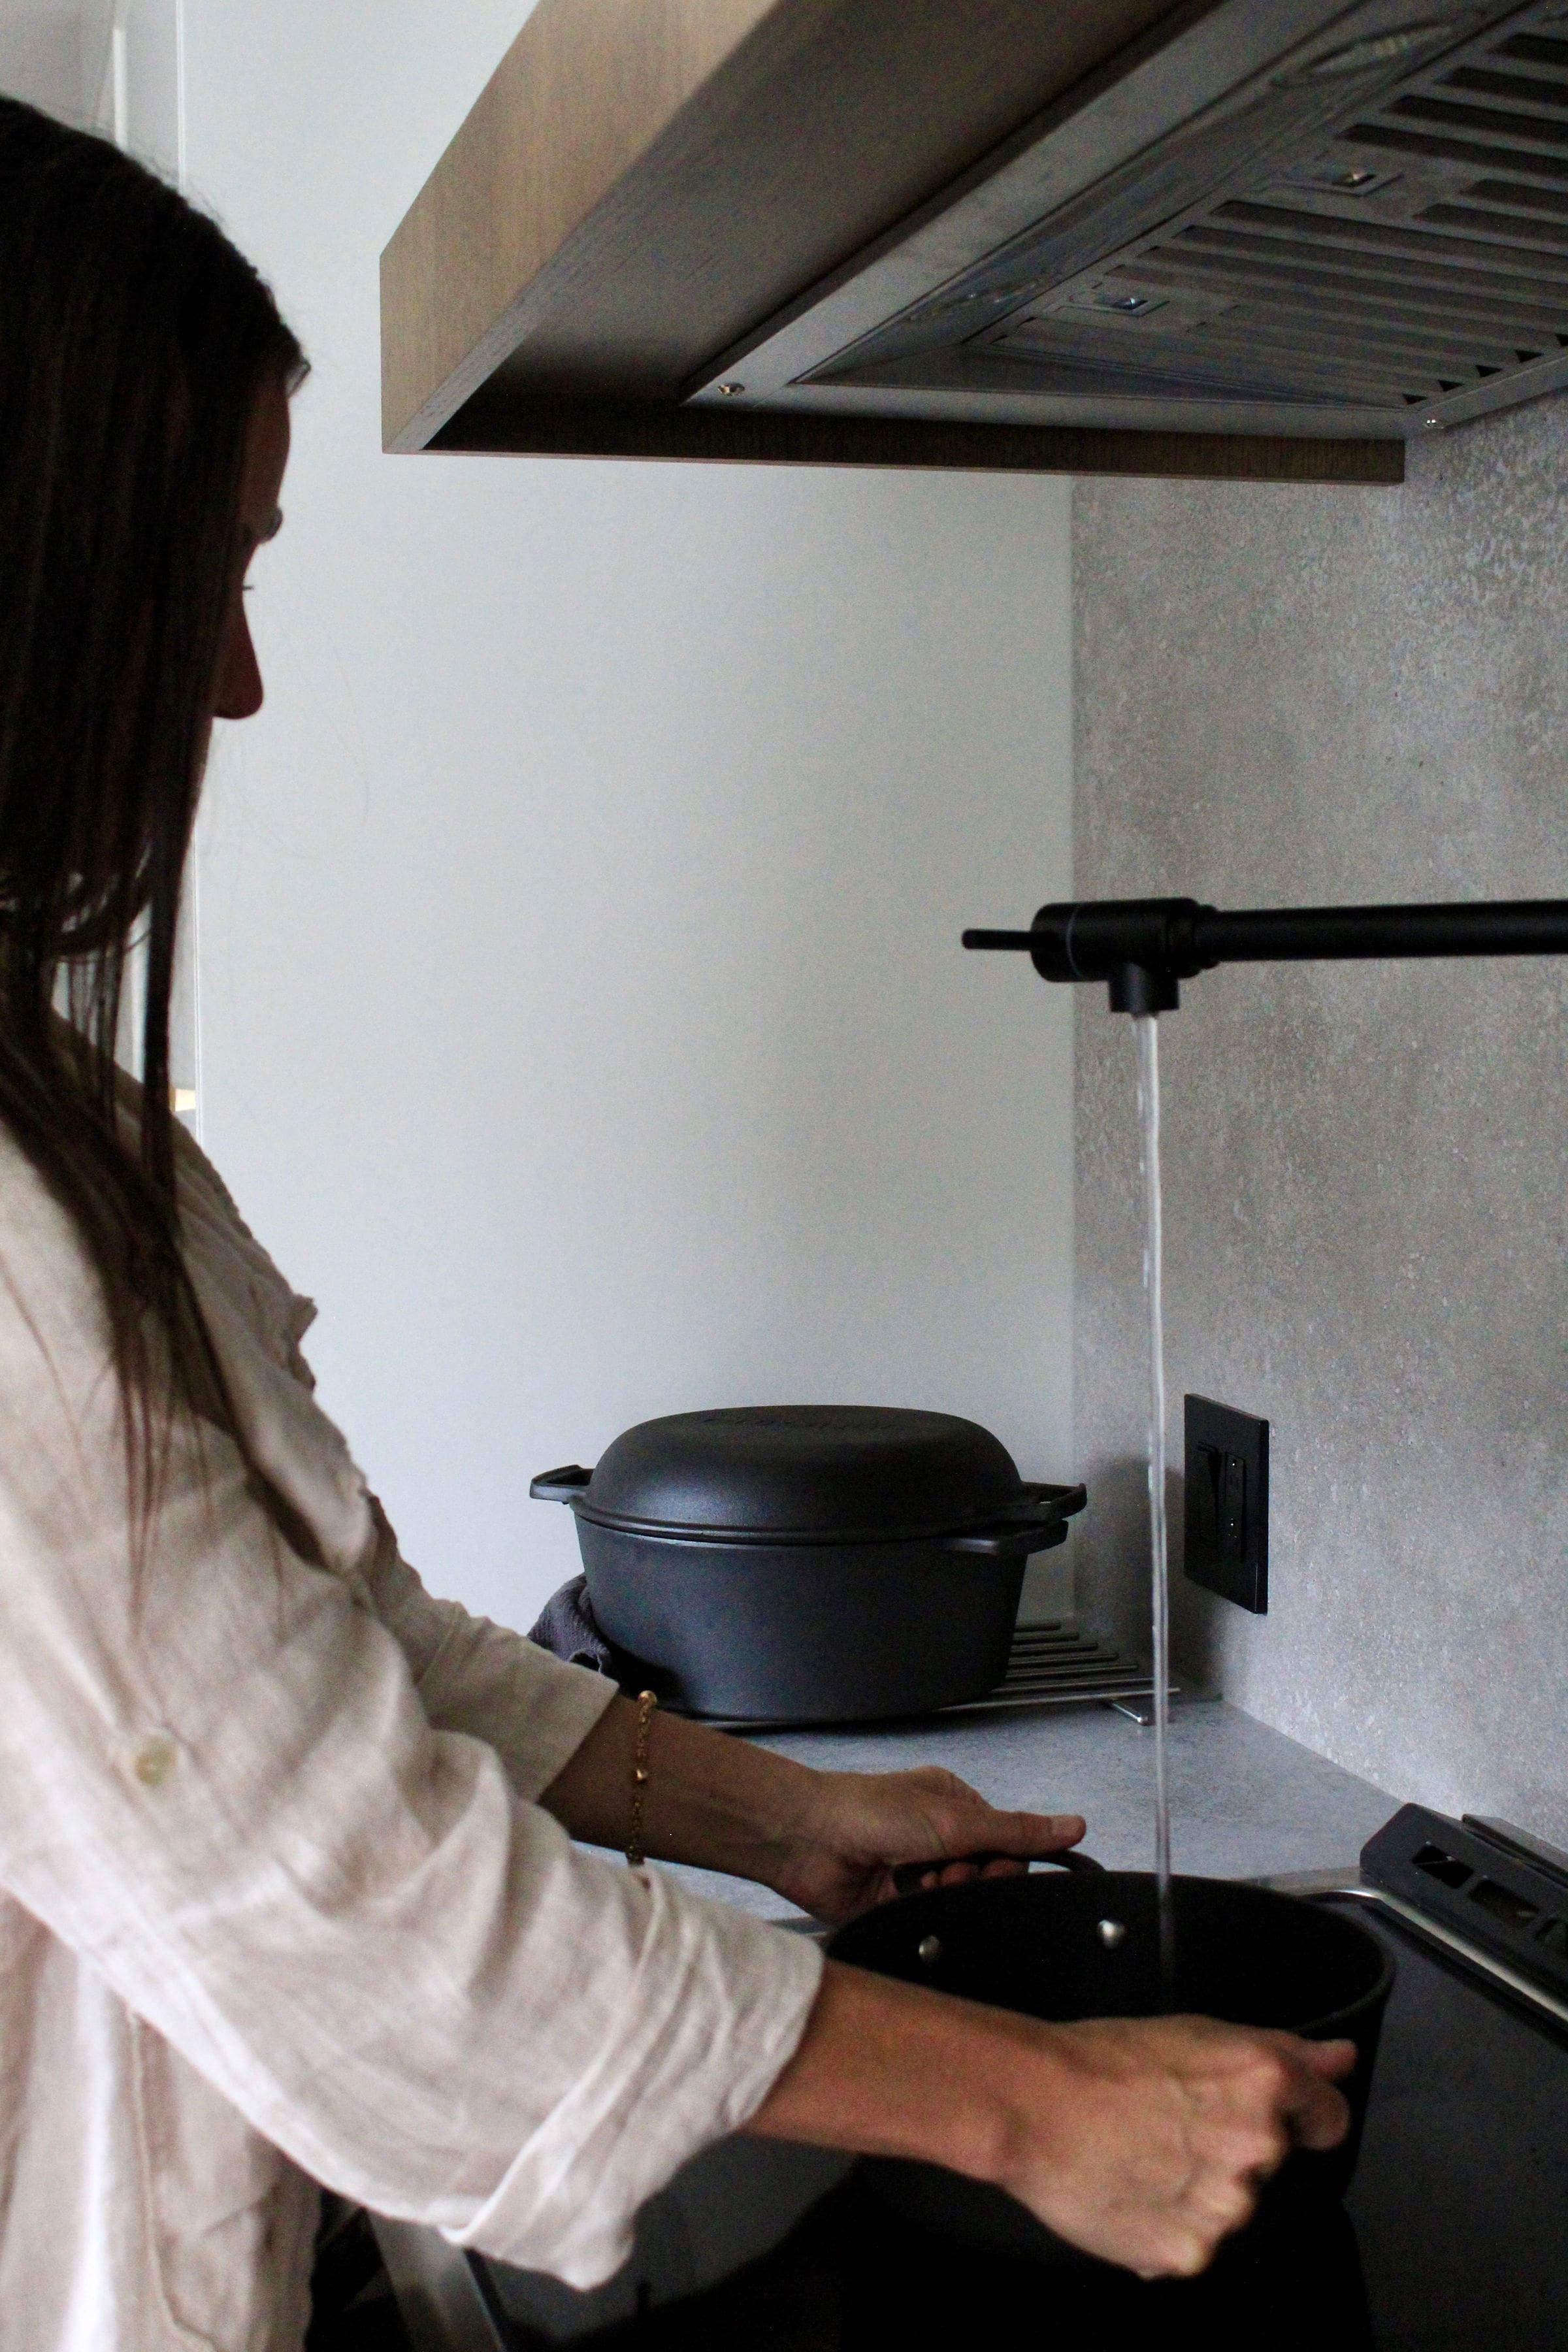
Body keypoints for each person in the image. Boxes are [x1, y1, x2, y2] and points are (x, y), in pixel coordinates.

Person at [0, 97, 1353, 2352]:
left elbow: (317, 1653)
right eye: (201, 576)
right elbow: (339, 1909)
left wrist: (772, 1816)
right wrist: (1039, 2108)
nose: (236, 682)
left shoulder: (58, 1121)